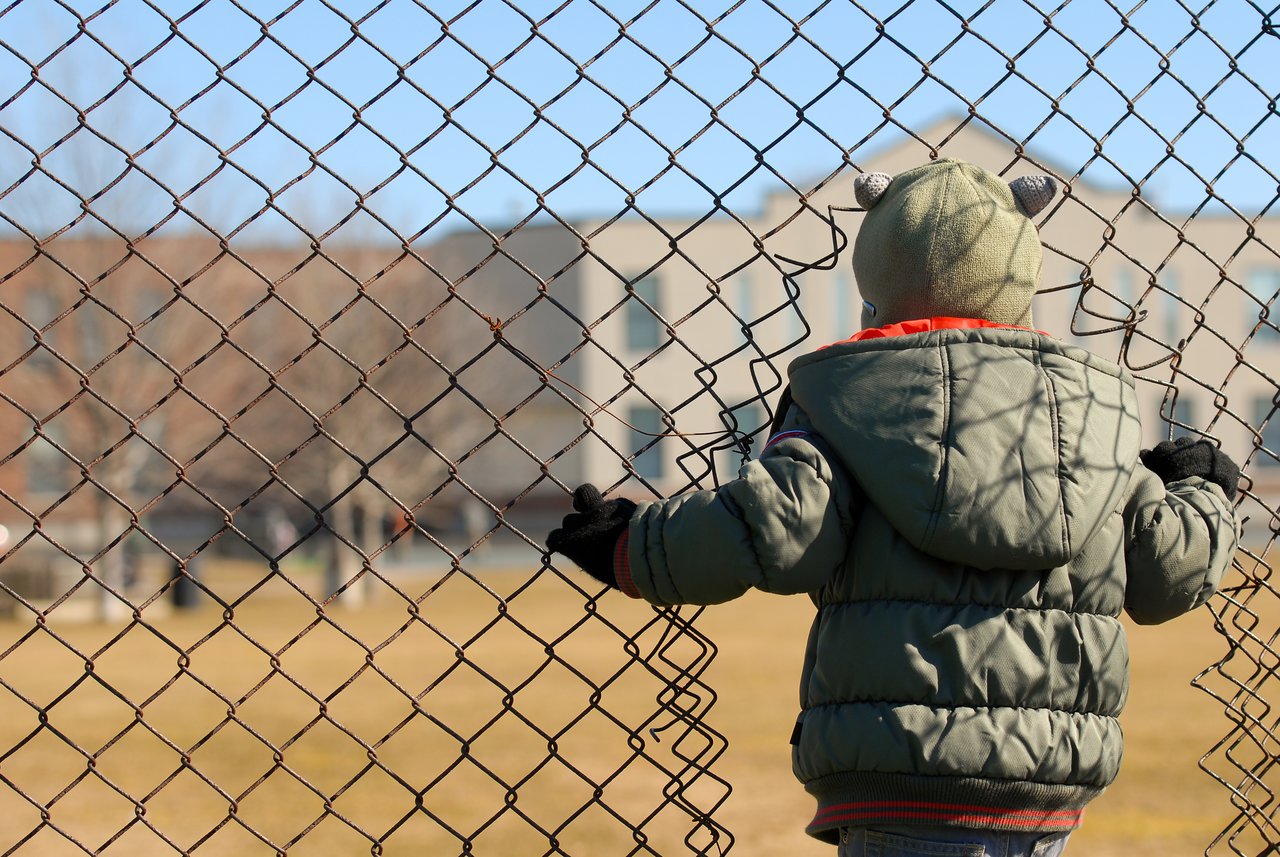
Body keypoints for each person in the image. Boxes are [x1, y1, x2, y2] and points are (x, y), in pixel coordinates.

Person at [547, 159, 1240, 856]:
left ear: (876, 278)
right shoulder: (1094, 412)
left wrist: (630, 544)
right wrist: (1206, 487)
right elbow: (1165, 569)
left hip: (897, 764)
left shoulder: (848, 397)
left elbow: (773, 528)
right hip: (1046, 779)